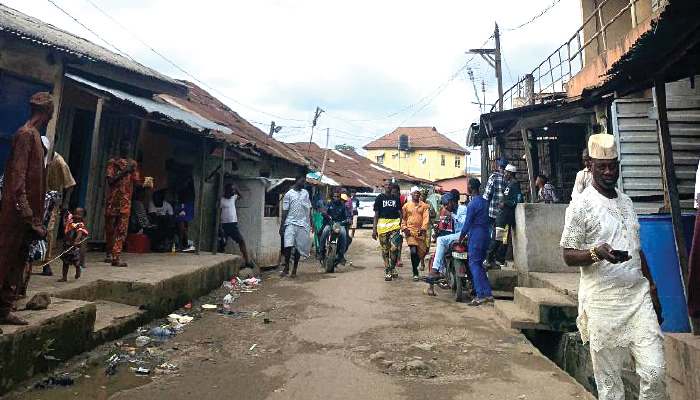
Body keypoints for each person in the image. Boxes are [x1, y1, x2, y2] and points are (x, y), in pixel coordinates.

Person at [560, 134, 665, 400]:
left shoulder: (627, 203)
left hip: (637, 298)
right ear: (590, 167)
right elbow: (568, 255)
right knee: (610, 387)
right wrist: (596, 253)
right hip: (602, 303)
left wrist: (652, 290)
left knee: (654, 371)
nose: (608, 172)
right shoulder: (580, 206)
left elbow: (637, 250)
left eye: (613, 166)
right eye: (602, 167)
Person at [0, 92, 53, 330]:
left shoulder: (36, 138)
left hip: (27, 216)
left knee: (16, 264)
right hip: (17, 214)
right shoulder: (25, 135)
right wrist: (27, 213)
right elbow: (18, 179)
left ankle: (4, 310)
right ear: (47, 113)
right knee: (4, 261)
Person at [105, 139, 143, 267]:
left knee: (122, 229)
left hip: (125, 201)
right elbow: (110, 181)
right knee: (110, 228)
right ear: (120, 146)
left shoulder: (133, 163)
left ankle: (116, 256)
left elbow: (136, 182)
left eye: (128, 145)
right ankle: (109, 253)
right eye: (124, 145)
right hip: (112, 200)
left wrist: (145, 185)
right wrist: (125, 171)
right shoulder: (113, 162)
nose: (126, 148)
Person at [457, 178, 493, 306]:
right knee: (479, 265)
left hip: (476, 237)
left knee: (474, 265)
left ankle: (480, 295)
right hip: (485, 235)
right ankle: (487, 293)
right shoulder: (485, 202)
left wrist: (461, 237)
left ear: (471, 188)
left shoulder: (472, 204)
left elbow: (467, 223)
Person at [43, 137, 76, 275]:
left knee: (48, 230)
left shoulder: (59, 161)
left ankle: (46, 262)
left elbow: (70, 183)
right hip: (38, 198)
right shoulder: (39, 158)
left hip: (52, 201)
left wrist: (65, 203)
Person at [485, 164, 520, 269]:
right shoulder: (509, 184)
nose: (505, 175)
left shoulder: (514, 184)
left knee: (498, 238)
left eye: (506, 173)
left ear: (511, 174)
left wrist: (505, 203)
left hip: (505, 217)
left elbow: (517, 199)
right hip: (502, 216)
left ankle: (490, 259)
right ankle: (495, 259)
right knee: (499, 238)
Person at [428, 191, 468, 279]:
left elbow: (464, 222)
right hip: (457, 234)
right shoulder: (450, 211)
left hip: (464, 234)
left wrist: (451, 215)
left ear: (453, 202)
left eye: (447, 204)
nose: (445, 207)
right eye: (444, 205)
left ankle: (435, 269)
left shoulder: (462, 209)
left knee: (440, 240)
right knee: (442, 241)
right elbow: (445, 225)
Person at [220, 183, 259, 275]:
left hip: (233, 225)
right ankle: (220, 264)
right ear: (227, 190)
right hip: (224, 225)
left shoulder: (233, 198)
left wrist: (236, 189)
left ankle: (247, 261)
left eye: (234, 190)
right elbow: (218, 213)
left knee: (241, 241)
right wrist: (220, 227)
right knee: (222, 245)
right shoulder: (221, 200)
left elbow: (241, 196)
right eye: (232, 190)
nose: (234, 192)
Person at [280, 174, 312, 278]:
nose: (304, 183)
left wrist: (310, 222)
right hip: (290, 223)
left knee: (298, 247)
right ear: (297, 181)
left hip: (302, 224)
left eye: (304, 181)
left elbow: (308, 208)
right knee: (288, 246)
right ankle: (286, 268)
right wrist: (282, 225)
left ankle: (294, 269)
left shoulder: (305, 193)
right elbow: (285, 210)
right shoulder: (289, 194)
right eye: (302, 181)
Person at [373, 182, 403, 281]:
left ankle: (392, 267)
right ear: (384, 187)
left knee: (394, 249)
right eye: (386, 185)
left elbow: (400, 212)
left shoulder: (396, 198)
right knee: (385, 250)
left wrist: (400, 224)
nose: (388, 186)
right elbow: (376, 214)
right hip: (382, 228)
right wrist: (374, 230)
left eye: (389, 185)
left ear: (391, 187)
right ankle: (388, 270)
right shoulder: (379, 198)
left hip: (394, 227)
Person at [401, 187, 430, 281]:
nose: (416, 194)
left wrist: (423, 229)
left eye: (418, 193)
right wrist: (404, 228)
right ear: (411, 194)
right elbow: (403, 218)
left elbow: (426, 218)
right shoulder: (406, 206)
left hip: (421, 231)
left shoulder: (424, 206)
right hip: (410, 231)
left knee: (422, 252)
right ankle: (415, 272)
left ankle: (415, 265)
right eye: (415, 193)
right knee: (413, 250)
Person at [319, 191, 349, 265]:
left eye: (338, 197)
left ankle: (341, 255)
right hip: (330, 224)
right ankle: (321, 251)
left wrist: (349, 219)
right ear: (333, 197)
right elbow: (324, 211)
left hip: (340, 224)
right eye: (335, 196)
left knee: (344, 235)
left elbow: (348, 215)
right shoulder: (329, 204)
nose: (336, 198)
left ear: (340, 197)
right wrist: (324, 213)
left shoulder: (343, 206)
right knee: (324, 232)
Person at [58, 208, 88, 282]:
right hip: (66, 245)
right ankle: (64, 277)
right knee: (65, 262)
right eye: (75, 213)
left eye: (79, 214)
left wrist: (76, 240)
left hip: (74, 247)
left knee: (76, 261)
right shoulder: (70, 221)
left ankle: (78, 268)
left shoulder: (80, 225)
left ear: (83, 216)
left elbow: (79, 234)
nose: (76, 215)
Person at [391, 183, 406, 269]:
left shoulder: (403, 199)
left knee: (399, 241)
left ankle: (399, 258)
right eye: (392, 192)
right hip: (389, 223)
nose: (393, 194)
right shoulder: (388, 198)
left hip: (400, 222)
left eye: (394, 192)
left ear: (398, 192)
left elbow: (405, 211)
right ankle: (392, 257)